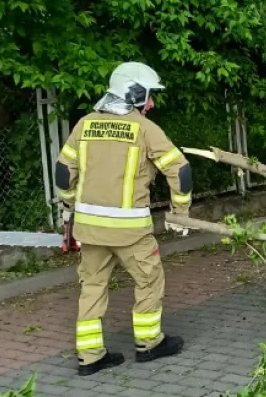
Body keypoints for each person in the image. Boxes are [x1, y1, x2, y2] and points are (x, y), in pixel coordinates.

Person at [55, 62, 193, 376]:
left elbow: (63, 172)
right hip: (131, 232)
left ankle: (89, 357)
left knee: (91, 287)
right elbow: (180, 169)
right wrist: (180, 213)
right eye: (149, 96)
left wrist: (69, 206)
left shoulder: (85, 124)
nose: (152, 103)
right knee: (149, 280)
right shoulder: (143, 128)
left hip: (89, 229)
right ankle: (148, 344)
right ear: (133, 92)